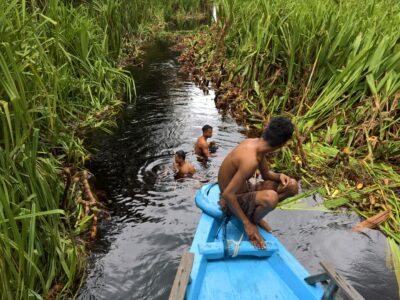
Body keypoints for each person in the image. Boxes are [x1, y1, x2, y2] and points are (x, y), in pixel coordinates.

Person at [218, 117, 298, 249]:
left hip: (245, 191)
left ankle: (254, 216)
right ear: (282, 144)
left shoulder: (256, 145)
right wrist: (247, 224)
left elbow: (266, 174)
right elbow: (227, 194)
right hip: (229, 201)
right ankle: (252, 220)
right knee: (271, 198)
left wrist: (279, 176)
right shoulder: (250, 160)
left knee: (292, 185)